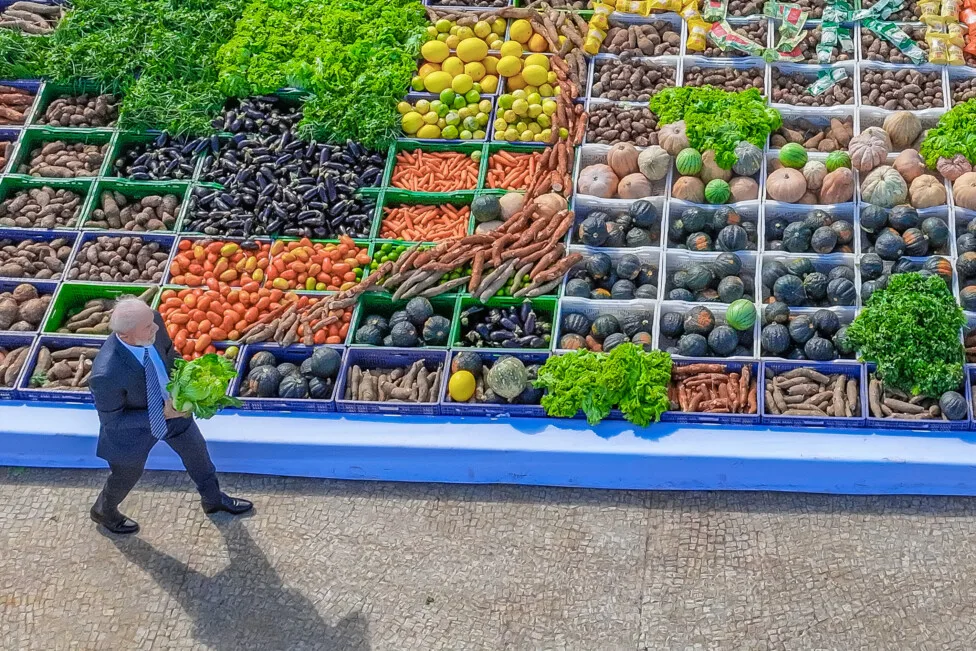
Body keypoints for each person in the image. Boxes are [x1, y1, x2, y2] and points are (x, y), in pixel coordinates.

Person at [88, 297, 252, 535]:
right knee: (125, 477)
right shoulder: (106, 373)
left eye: (152, 321)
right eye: (147, 327)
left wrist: (188, 381)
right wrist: (160, 413)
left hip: (175, 413)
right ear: (125, 336)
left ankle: (213, 500)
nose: (155, 326)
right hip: (134, 432)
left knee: (199, 456)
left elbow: (170, 355)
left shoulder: (151, 320)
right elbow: (112, 422)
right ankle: (104, 511)